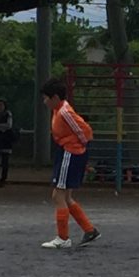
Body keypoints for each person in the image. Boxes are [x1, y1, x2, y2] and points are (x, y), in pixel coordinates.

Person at [41, 78, 100, 249]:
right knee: (66, 197)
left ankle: (63, 238)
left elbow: (85, 131)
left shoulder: (64, 112)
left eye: (46, 98)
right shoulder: (59, 109)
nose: (44, 102)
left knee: (58, 195)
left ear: (55, 98)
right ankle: (89, 230)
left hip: (70, 152)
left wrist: (80, 148)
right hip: (68, 151)